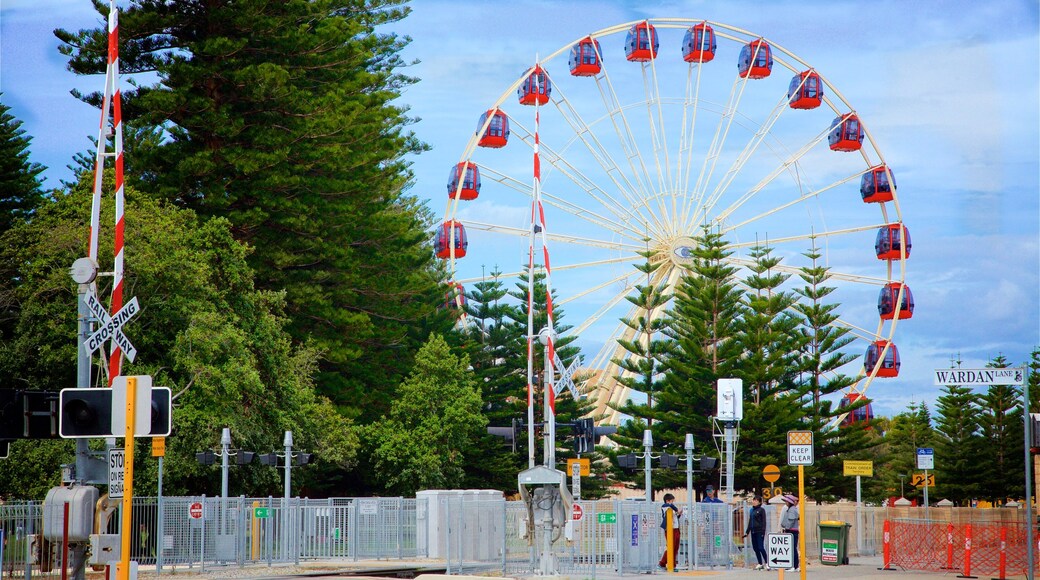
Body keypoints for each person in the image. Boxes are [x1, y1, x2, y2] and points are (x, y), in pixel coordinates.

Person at [658, 493, 683, 569]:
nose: (673, 503)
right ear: (667, 501)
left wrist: (679, 513)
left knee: (675, 547)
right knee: (670, 547)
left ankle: (672, 564)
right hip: (669, 529)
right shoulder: (665, 506)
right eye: (672, 501)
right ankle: (662, 563)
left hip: (676, 529)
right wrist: (677, 510)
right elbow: (669, 505)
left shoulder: (671, 507)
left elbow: (675, 517)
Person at [744, 495, 768, 570]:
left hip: (759, 531)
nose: (754, 502)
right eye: (753, 500)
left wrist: (763, 531)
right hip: (753, 531)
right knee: (755, 548)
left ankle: (767, 562)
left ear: (759, 502)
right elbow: (750, 521)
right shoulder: (751, 510)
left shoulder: (761, 510)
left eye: (756, 500)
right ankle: (760, 563)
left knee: (761, 547)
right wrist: (747, 532)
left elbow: (764, 521)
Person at [780, 494, 800, 571]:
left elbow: (790, 521)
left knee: (792, 548)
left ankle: (793, 566)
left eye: (786, 501)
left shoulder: (791, 510)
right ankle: (795, 566)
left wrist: (786, 528)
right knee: (792, 548)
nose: (786, 503)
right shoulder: (792, 509)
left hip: (791, 531)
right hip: (792, 531)